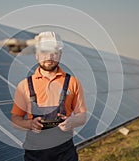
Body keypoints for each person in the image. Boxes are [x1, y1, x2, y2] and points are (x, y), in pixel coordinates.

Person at [11, 31, 87, 161]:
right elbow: (15, 120)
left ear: (60, 54)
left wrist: (71, 122)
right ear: (36, 54)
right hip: (35, 155)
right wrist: (30, 124)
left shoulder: (72, 82)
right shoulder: (24, 86)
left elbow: (82, 116)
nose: (49, 56)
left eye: (54, 52)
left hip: (65, 154)